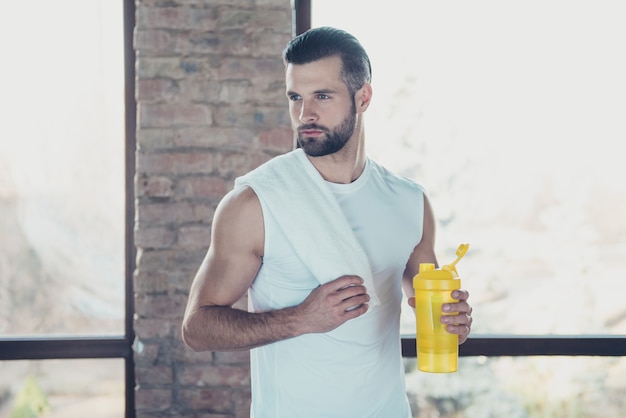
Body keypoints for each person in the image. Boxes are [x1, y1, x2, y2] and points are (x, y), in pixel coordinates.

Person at [182, 26, 473, 418]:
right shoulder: (254, 203)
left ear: (363, 96)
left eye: (322, 96)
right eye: (295, 97)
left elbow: (428, 302)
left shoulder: (409, 202)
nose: (305, 114)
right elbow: (197, 328)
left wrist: (453, 317)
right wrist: (300, 319)